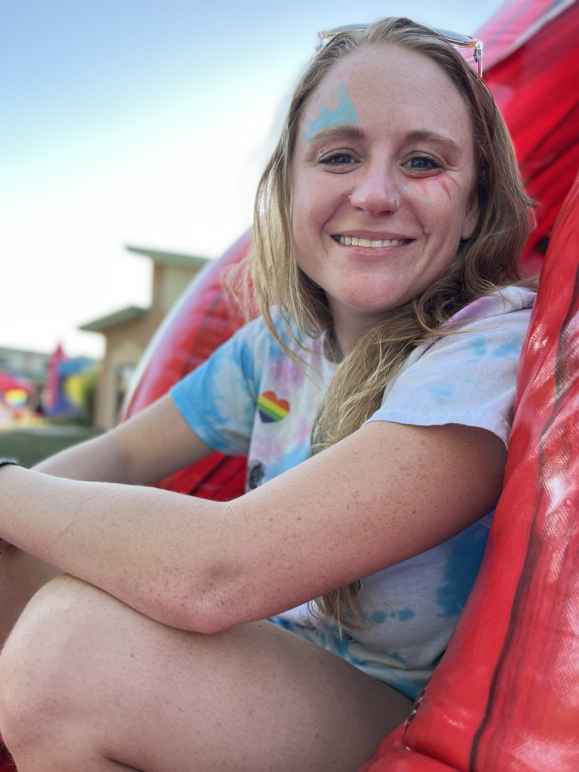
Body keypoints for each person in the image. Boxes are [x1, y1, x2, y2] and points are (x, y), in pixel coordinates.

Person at [0, 17, 535, 772]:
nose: (375, 193)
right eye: (339, 156)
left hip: (390, 710)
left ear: (476, 205)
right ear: (288, 189)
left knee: (74, 651)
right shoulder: (280, 346)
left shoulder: (486, 351)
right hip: (273, 663)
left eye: (421, 161)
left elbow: (219, 572)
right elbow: (121, 450)